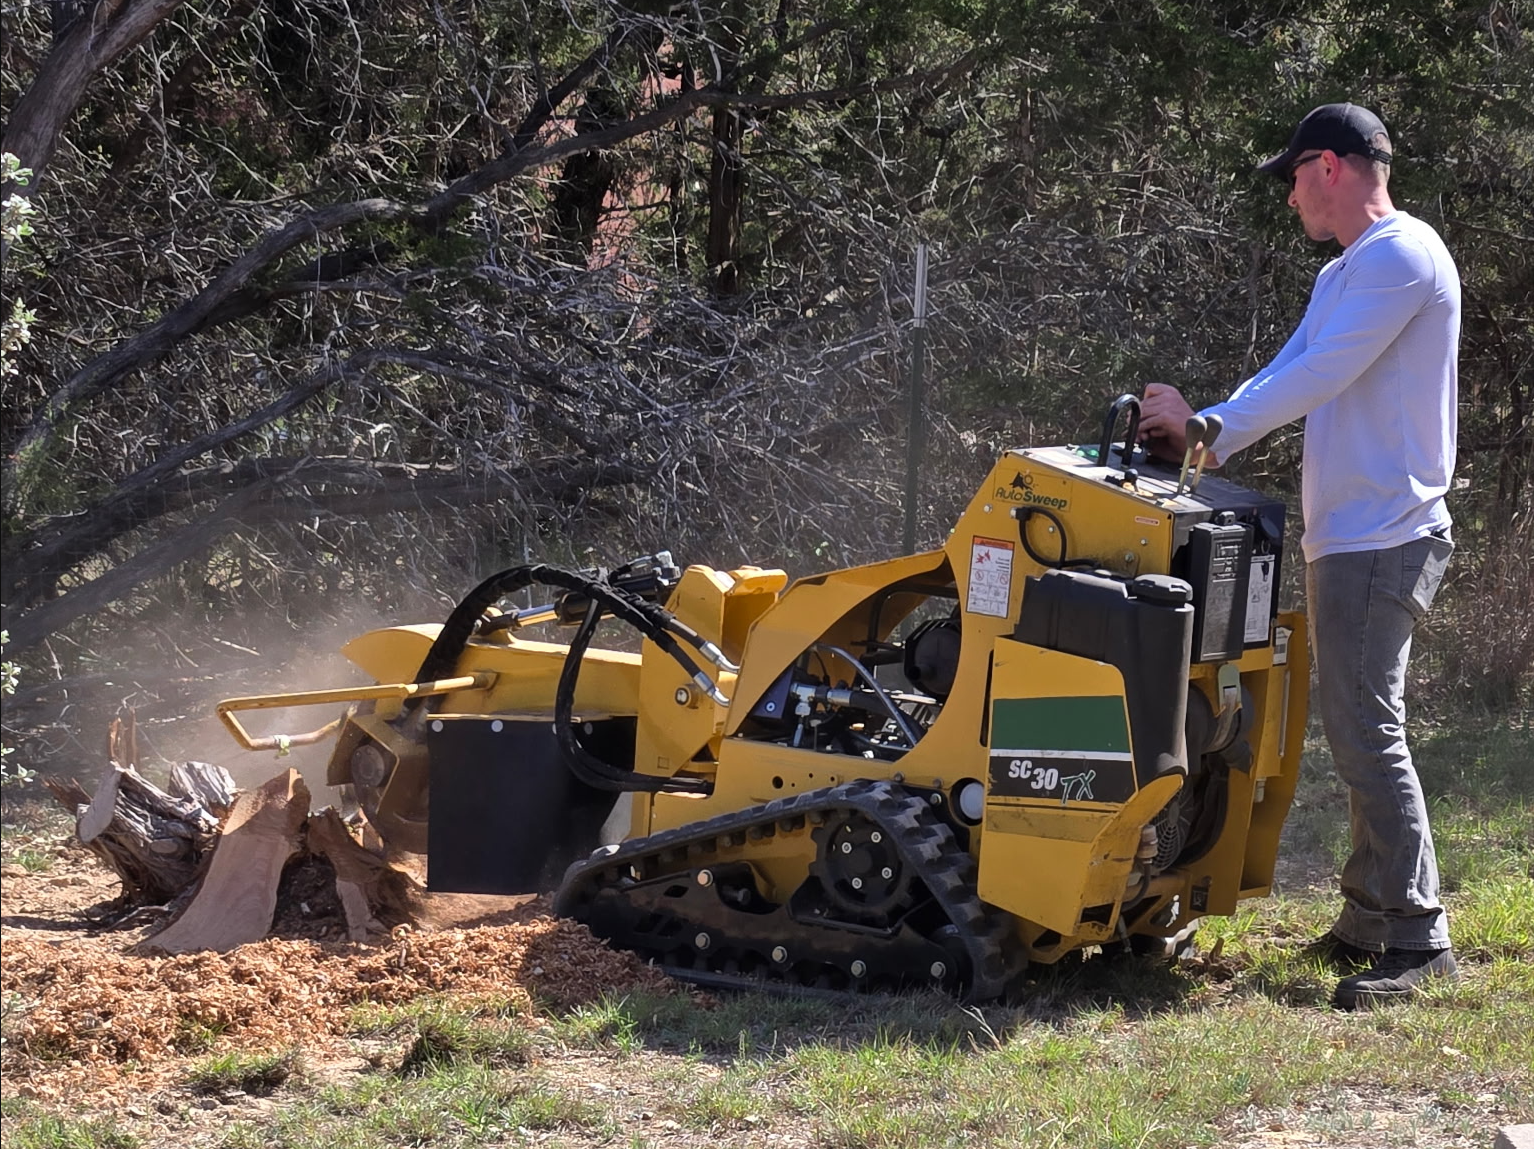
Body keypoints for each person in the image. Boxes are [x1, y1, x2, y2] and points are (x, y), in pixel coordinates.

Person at [1138, 103, 1460, 1010]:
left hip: (1386, 534)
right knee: (1357, 726)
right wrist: (1206, 434)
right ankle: (1368, 917)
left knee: (1369, 729)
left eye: (1291, 176)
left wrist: (1211, 428)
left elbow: (1319, 376)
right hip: (1352, 536)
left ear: (1329, 166)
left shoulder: (1401, 256)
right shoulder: (1348, 274)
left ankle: (1414, 931)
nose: (1287, 196)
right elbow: (1286, 366)